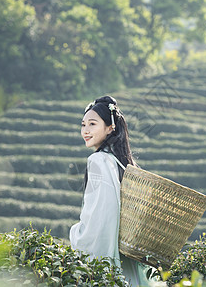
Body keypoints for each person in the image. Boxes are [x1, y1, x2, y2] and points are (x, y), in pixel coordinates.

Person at [70, 95, 149, 286]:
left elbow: (101, 215)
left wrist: (76, 234)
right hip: (127, 263)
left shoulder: (98, 160)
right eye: (83, 125)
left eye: (92, 124)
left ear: (110, 127)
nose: (86, 131)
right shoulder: (119, 162)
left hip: (109, 264)